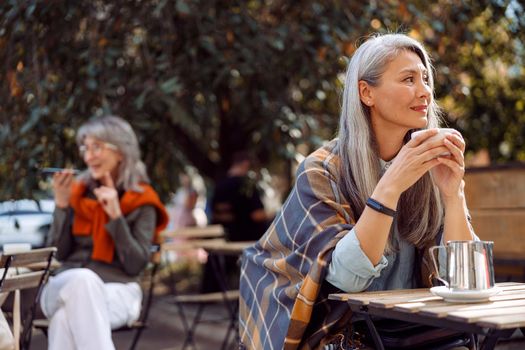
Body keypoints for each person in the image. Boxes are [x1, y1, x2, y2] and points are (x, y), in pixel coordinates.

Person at [239, 33, 477, 349]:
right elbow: (346, 279)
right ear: (366, 92)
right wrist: (391, 186)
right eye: (408, 79)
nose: (425, 92)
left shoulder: (429, 164)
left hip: (416, 331)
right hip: (343, 332)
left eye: (424, 78)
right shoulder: (323, 169)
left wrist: (452, 194)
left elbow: (466, 279)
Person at [41, 116, 168, 350]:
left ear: (121, 152)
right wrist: (61, 205)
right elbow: (58, 253)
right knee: (83, 280)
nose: (88, 156)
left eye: (97, 147)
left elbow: (135, 265)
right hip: (63, 287)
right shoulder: (75, 193)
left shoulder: (143, 200)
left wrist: (116, 217)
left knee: (63, 320)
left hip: (118, 292)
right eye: (85, 148)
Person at [210, 151, 268, 242]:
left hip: (223, 240)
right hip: (247, 241)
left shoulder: (219, 185)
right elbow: (257, 215)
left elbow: (214, 213)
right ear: (246, 164)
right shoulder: (246, 185)